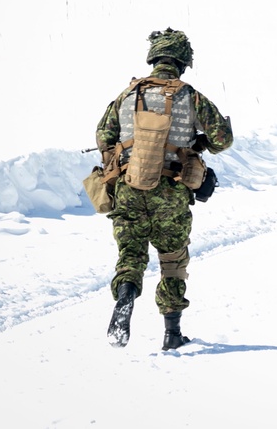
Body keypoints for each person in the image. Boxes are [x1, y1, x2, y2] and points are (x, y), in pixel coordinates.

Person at [96, 28, 233, 350]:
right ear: (183, 61)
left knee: (130, 254)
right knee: (172, 260)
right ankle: (172, 333)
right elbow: (223, 139)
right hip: (171, 191)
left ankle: (126, 295)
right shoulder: (189, 95)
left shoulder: (127, 94)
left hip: (129, 187)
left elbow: (103, 136)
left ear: (154, 57)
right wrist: (198, 142)